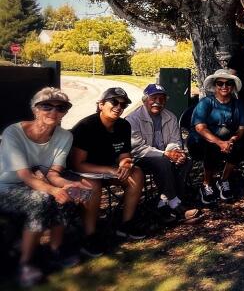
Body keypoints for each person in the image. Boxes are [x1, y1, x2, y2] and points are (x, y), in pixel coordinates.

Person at [0, 88, 88, 286]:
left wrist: (71, 185)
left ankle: (55, 250)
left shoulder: (65, 137)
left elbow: (53, 175)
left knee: (66, 195)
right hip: (6, 187)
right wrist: (54, 190)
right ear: (35, 109)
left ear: (65, 113)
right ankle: (25, 264)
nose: (53, 111)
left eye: (61, 108)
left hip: (38, 184)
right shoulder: (14, 132)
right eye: (46, 106)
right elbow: (25, 176)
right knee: (41, 199)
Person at [70, 87, 146, 257]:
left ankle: (126, 224)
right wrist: (109, 169)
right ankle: (90, 235)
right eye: (114, 102)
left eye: (123, 104)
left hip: (109, 171)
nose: (119, 107)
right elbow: (77, 164)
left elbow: (125, 155)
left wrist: (126, 164)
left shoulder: (123, 125)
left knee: (137, 173)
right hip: (82, 172)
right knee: (93, 185)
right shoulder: (86, 127)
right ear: (101, 105)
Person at [125, 84, 201, 223]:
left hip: (165, 156)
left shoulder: (170, 116)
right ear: (145, 100)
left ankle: (166, 203)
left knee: (186, 161)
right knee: (162, 161)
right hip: (140, 158)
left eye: (162, 99)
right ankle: (176, 205)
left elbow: (175, 140)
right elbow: (137, 148)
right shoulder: (133, 119)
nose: (158, 102)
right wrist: (165, 154)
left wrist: (176, 153)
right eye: (153, 98)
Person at [190, 69, 244, 204]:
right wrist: (220, 142)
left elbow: (241, 128)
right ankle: (206, 184)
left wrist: (232, 140)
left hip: (227, 139)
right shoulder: (206, 102)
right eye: (220, 83)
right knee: (211, 147)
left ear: (233, 86)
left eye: (228, 83)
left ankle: (224, 180)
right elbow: (200, 128)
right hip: (201, 140)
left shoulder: (238, 104)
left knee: (239, 146)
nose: (224, 86)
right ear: (215, 85)